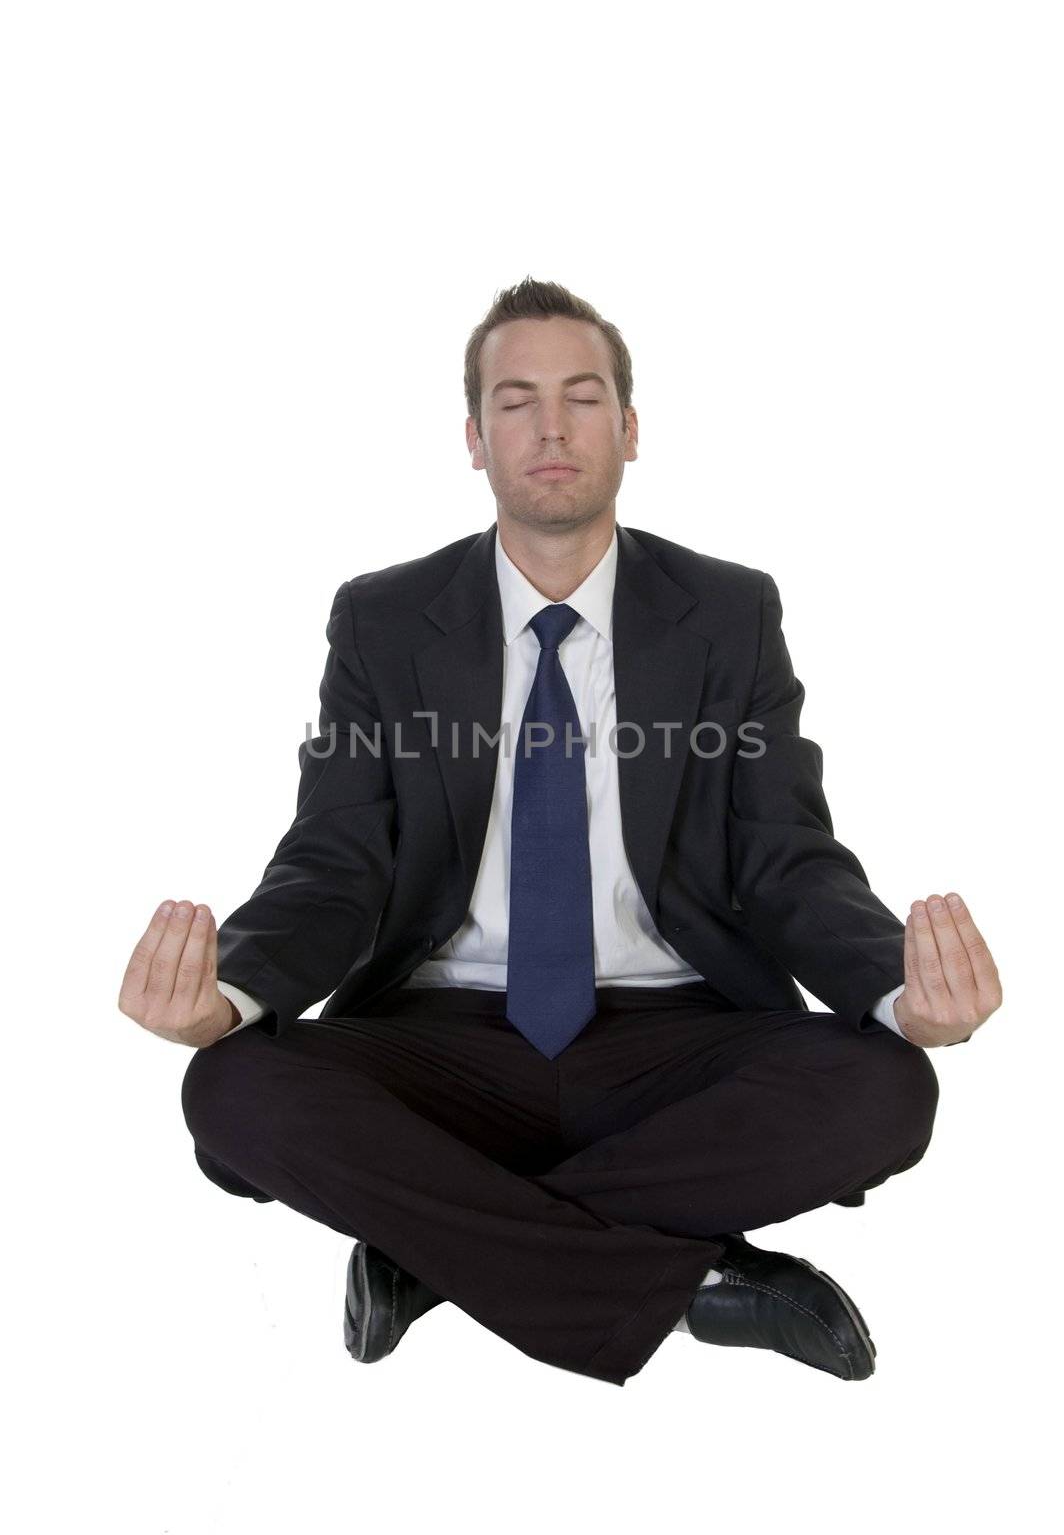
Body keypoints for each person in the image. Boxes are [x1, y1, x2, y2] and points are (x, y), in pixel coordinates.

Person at [119, 276, 1002, 1387]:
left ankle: (437, 1251)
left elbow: (783, 855)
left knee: (888, 1090)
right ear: (473, 438)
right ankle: (696, 1281)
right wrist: (229, 993)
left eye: (582, 398)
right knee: (230, 1091)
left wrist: (895, 990)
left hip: (671, 1034)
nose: (549, 426)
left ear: (628, 430)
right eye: (515, 400)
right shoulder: (383, 620)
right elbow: (335, 862)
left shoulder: (727, 613)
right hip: (444, 1038)